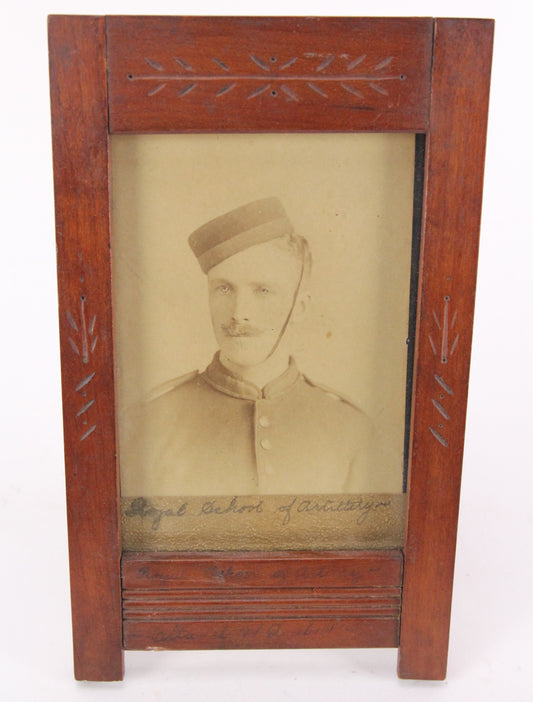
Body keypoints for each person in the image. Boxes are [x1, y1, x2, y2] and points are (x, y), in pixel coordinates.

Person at [120, 197, 373, 497]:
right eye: (224, 288)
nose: (239, 312)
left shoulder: (351, 431)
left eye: (263, 290)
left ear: (300, 307)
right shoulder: (149, 425)